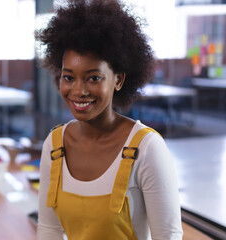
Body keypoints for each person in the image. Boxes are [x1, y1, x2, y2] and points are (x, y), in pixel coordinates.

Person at [35, 0, 183, 239]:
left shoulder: (147, 148)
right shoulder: (54, 145)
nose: (79, 90)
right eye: (69, 77)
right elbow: (49, 229)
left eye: (93, 78)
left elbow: (168, 236)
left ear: (118, 80)